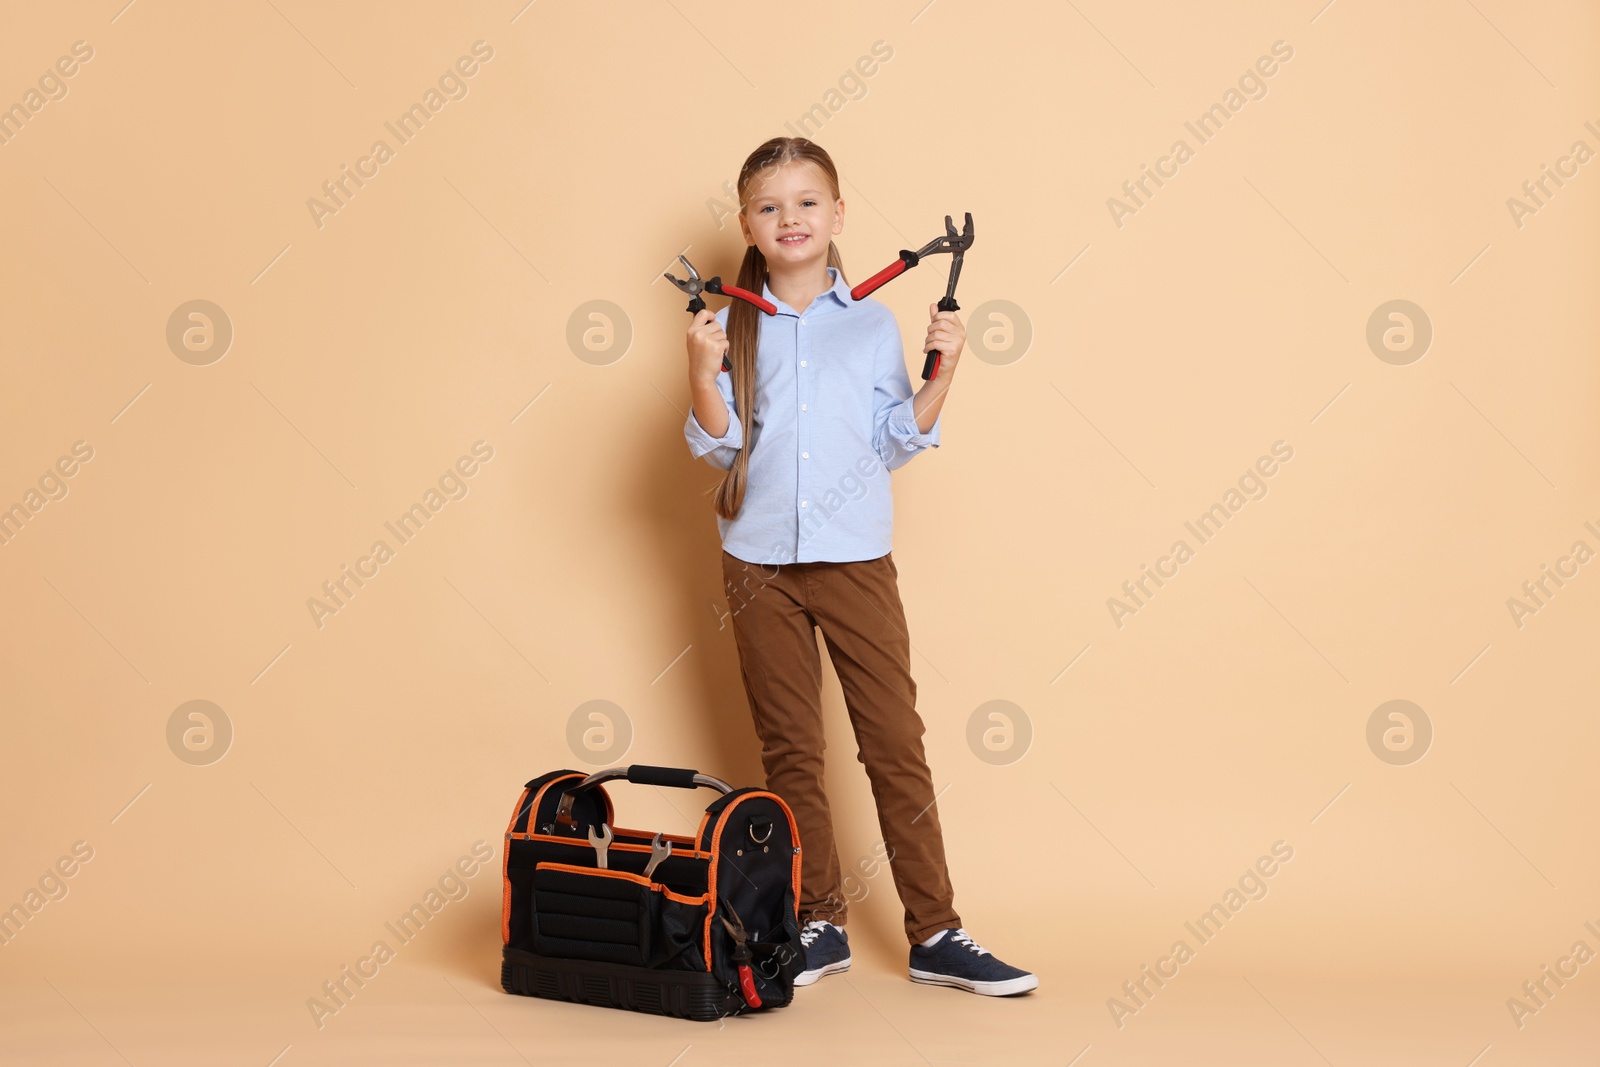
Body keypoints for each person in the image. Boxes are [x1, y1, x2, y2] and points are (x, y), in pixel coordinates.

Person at [681, 136, 1036, 997]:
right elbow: (714, 442)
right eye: (770, 206)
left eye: (807, 202)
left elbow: (894, 439)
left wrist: (946, 367)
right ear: (747, 225)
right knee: (791, 750)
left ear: (838, 215)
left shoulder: (871, 325)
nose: (790, 218)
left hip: (854, 561)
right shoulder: (727, 322)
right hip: (755, 562)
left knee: (892, 744)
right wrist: (698, 369)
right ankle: (820, 921)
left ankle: (936, 929)